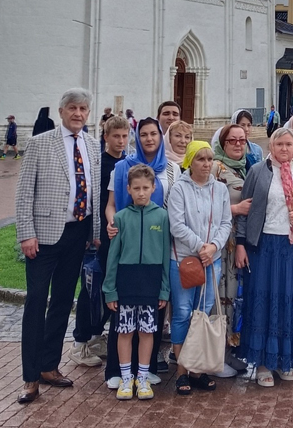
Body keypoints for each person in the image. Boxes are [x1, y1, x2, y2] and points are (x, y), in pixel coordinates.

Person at [14, 88, 101, 404]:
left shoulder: (93, 145)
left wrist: (95, 232)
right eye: (73, 108)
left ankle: (49, 365)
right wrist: (26, 234)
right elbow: (24, 192)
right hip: (44, 236)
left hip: (78, 234)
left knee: (63, 300)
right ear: (62, 111)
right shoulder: (40, 144)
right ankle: (30, 377)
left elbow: (94, 192)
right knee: (37, 301)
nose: (78, 114)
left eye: (83, 109)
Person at [235, 127, 293, 386]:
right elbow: (245, 211)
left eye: (288, 144)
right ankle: (262, 364)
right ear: (271, 146)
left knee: (287, 301)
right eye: (279, 144)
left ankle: (285, 360)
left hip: (290, 247)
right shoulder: (257, 171)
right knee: (263, 301)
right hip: (262, 246)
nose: (284, 149)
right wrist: (240, 244)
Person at [102, 118, 169, 387]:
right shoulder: (122, 167)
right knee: (122, 323)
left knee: (149, 324)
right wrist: (112, 224)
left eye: (154, 134)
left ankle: (145, 371)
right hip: (125, 244)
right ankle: (118, 372)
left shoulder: (170, 168)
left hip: (154, 250)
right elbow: (111, 204)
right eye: (143, 134)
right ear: (137, 137)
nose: (149, 139)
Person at [168, 141, 232, 395]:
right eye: (200, 159)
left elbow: (226, 222)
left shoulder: (220, 189)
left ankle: (197, 369)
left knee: (202, 312)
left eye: (209, 159)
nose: (206, 164)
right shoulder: (179, 189)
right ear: (190, 162)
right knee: (183, 313)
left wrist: (214, 247)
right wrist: (200, 246)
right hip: (185, 260)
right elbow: (177, 225)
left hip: (211, 260)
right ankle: (182, 370)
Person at [70, 115, 129, 369]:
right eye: (116, 136)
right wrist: (91, 234)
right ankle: (80, 341)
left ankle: (96, 336)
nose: (121, 141)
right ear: (105, 137)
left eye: (124, 136)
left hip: (120, 233)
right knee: (93, 288)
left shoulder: (127, 163)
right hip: (101, 234)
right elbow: (91, 200)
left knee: (112, 287)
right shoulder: (98, 165)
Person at [211, 124, 253, 378]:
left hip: (239, 241)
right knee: (220, 296)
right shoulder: (216, 167)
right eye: (232, 141)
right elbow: (205, 204)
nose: (238, 145)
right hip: (221, 242)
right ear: (222, 143)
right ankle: (215, 357)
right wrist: (235, 210)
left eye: (242, 141)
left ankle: (227, 351)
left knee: (234, 296)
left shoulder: (245, 168)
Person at [163, 121, 193, 194]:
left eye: (187, 137)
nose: (183, 141)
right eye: (178, 136)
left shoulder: (195, 164)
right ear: (169, 138)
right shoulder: (161, 164)